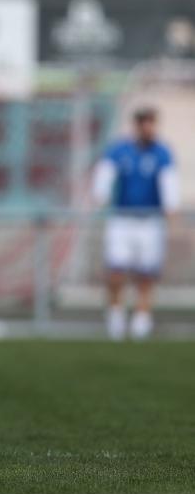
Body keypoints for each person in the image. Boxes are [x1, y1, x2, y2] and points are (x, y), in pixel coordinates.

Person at [91, 106, 180, 340]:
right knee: (116, 270)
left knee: (147, 274)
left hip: (150, 221)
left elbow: (169, 185)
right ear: (137, 125)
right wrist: (99, 195)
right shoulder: (120, 150)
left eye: (151, 123)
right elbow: (104, 175)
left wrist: (171, 211)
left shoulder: (162, 152)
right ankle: (116, 315)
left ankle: (142, 318)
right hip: (122, 219)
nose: (148, 128)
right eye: (143, 123)